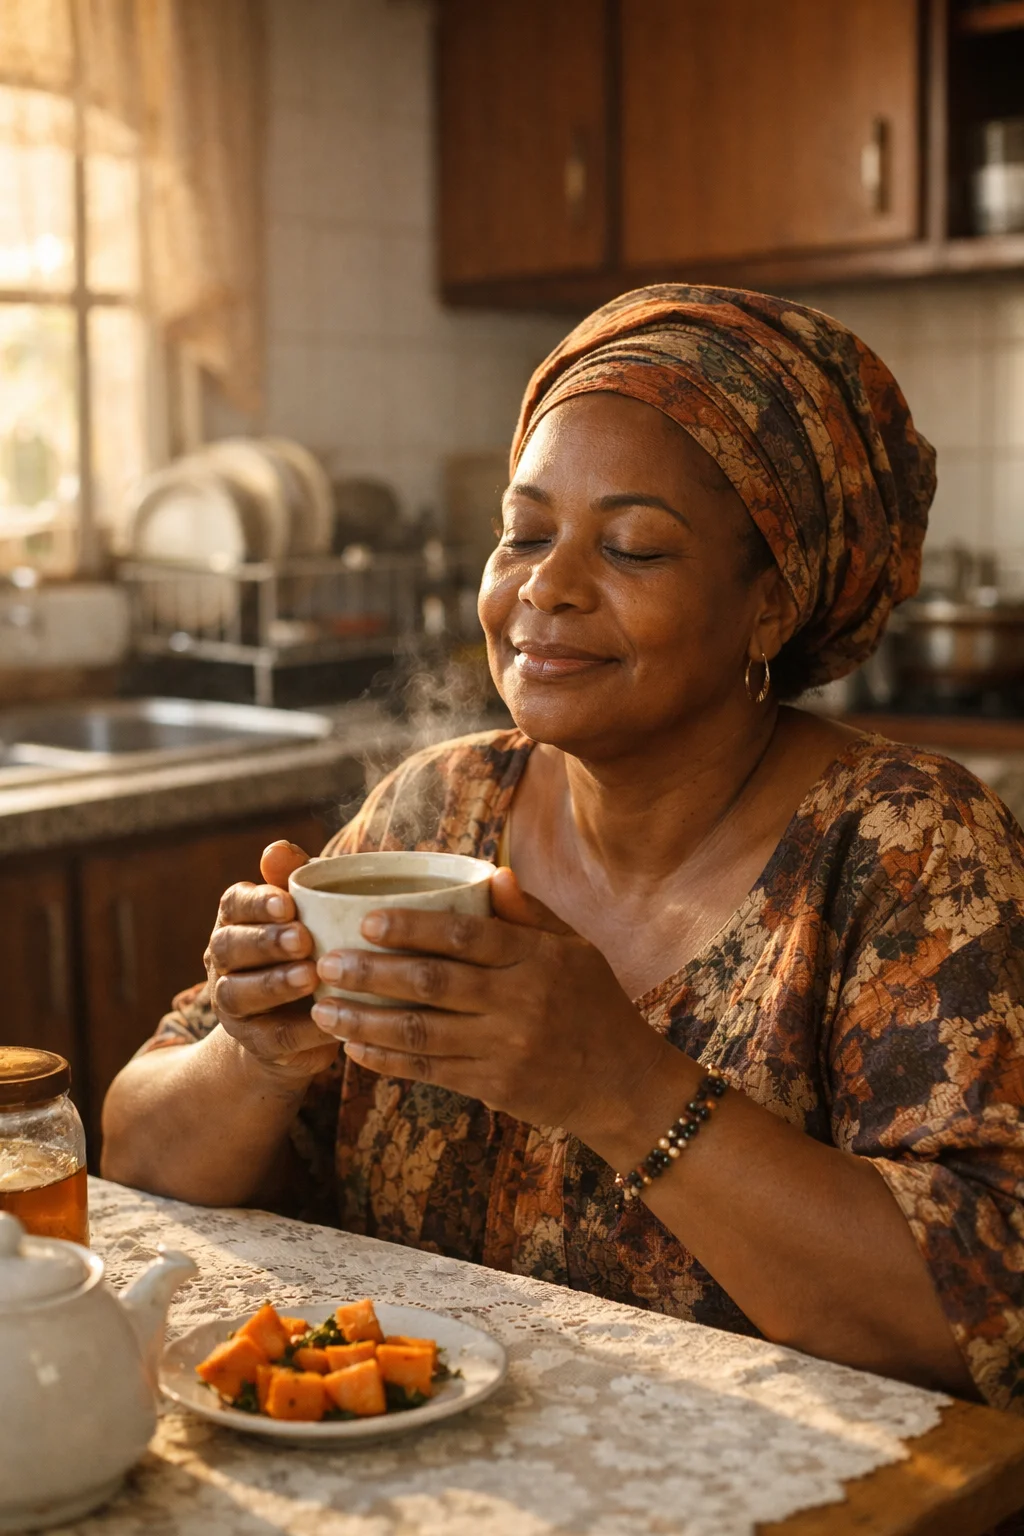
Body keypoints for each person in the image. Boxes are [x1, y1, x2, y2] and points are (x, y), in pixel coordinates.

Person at [102, 285, 1024, 1412]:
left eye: (631, 547)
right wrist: (255, 1054)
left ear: (772, 605)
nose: (543, 586)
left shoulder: (909, 847)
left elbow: (981, 1316)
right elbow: (140, 1157)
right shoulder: (429, 814)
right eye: (524, 533)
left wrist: (622, 1088)